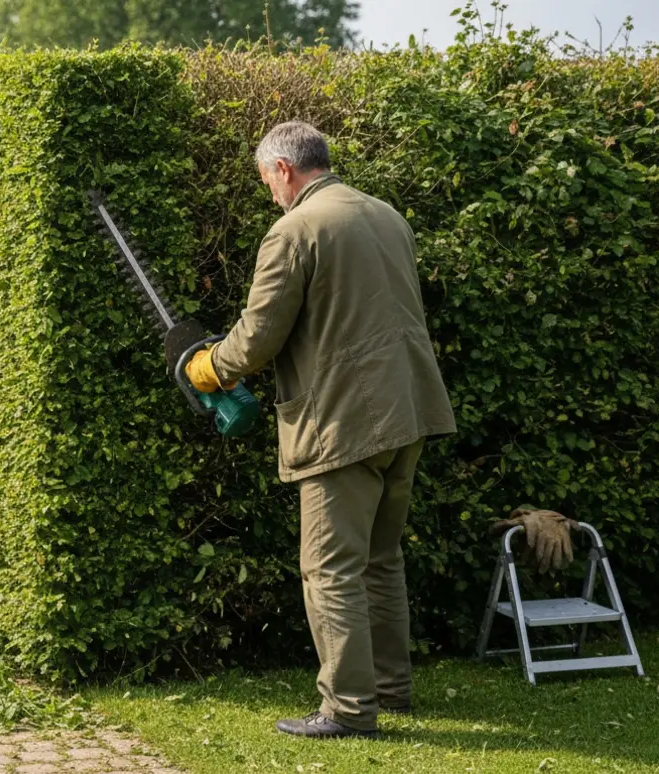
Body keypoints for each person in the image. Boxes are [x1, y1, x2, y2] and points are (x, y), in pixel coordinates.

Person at [185, 121, 457, 738]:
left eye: (266, 182)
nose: (270, 195)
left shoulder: (294, 230)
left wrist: (210, 368)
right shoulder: (386, 214)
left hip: (344, 422)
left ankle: (349, 709)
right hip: (408, 408)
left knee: (329, 568)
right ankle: (391, 689)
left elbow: (257, 338)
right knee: (380, 560)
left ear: (283, 170)